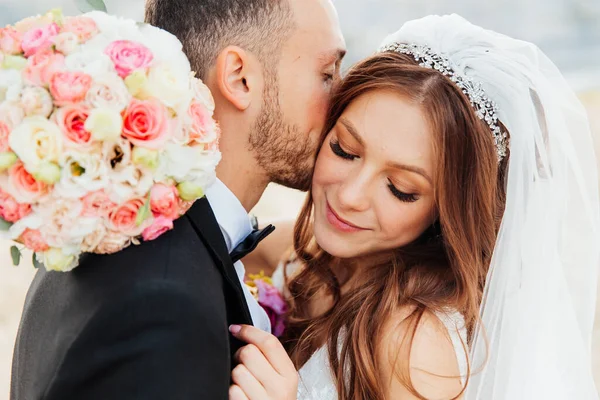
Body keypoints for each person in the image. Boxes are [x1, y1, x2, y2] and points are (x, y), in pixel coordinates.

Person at [232, 14, 600, 400]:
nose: (350, 196)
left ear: (448, 211)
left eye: (401, 189)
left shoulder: (414, 343)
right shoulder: (299, 249)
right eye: (344, 149)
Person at [10, 1, 345, 399]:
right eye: (327, 74)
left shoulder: (111, 230)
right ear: (240, 79)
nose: (343, 101)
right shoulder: (163, 307)